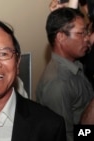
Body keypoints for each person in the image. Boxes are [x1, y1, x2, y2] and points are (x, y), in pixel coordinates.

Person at [36, 7, 94, 141]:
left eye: (87, 32)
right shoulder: (58, 84)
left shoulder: (76, 64)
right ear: (61, 37)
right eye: (81, 33)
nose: (86, 38)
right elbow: (67, 136)